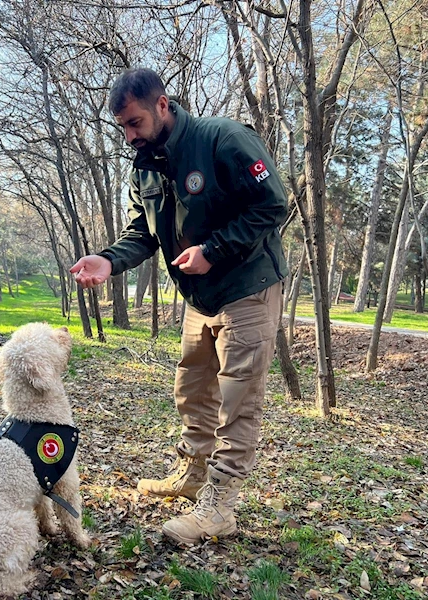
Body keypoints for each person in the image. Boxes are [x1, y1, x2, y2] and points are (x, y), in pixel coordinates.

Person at [70, 68, 288, 545]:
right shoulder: (146, 164)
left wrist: (213, 250)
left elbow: (273, 204)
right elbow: (144, 233)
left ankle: (220, 506)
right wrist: (108, 261)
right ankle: (192, 473)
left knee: (238, 401)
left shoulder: (223, 139)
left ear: (162, 105)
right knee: (192, 389)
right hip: (199, 296)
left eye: (135, 122)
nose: (130, 135)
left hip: (247, 287)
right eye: (123, 126)